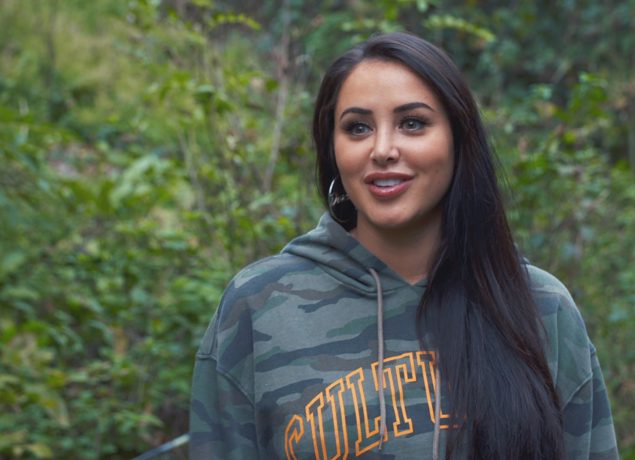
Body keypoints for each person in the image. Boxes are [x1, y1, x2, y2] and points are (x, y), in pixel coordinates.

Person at [189, 32, 618, 459]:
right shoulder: (259, 306)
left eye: (412, 123)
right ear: (332, 149)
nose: (382, 150)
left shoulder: (541, 307)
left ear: (458, 139)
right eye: (357, 128)